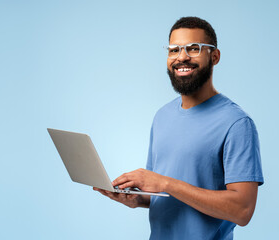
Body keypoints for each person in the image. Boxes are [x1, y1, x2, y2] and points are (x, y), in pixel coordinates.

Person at [94, 16, 264, 240]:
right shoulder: (162, 116)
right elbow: (161, 194)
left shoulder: (237, 123)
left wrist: (165, 182)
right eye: (174, 50)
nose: (182, 57)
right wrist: (136, 199)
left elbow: (242, 211)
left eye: (193, 48)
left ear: (214, 56)